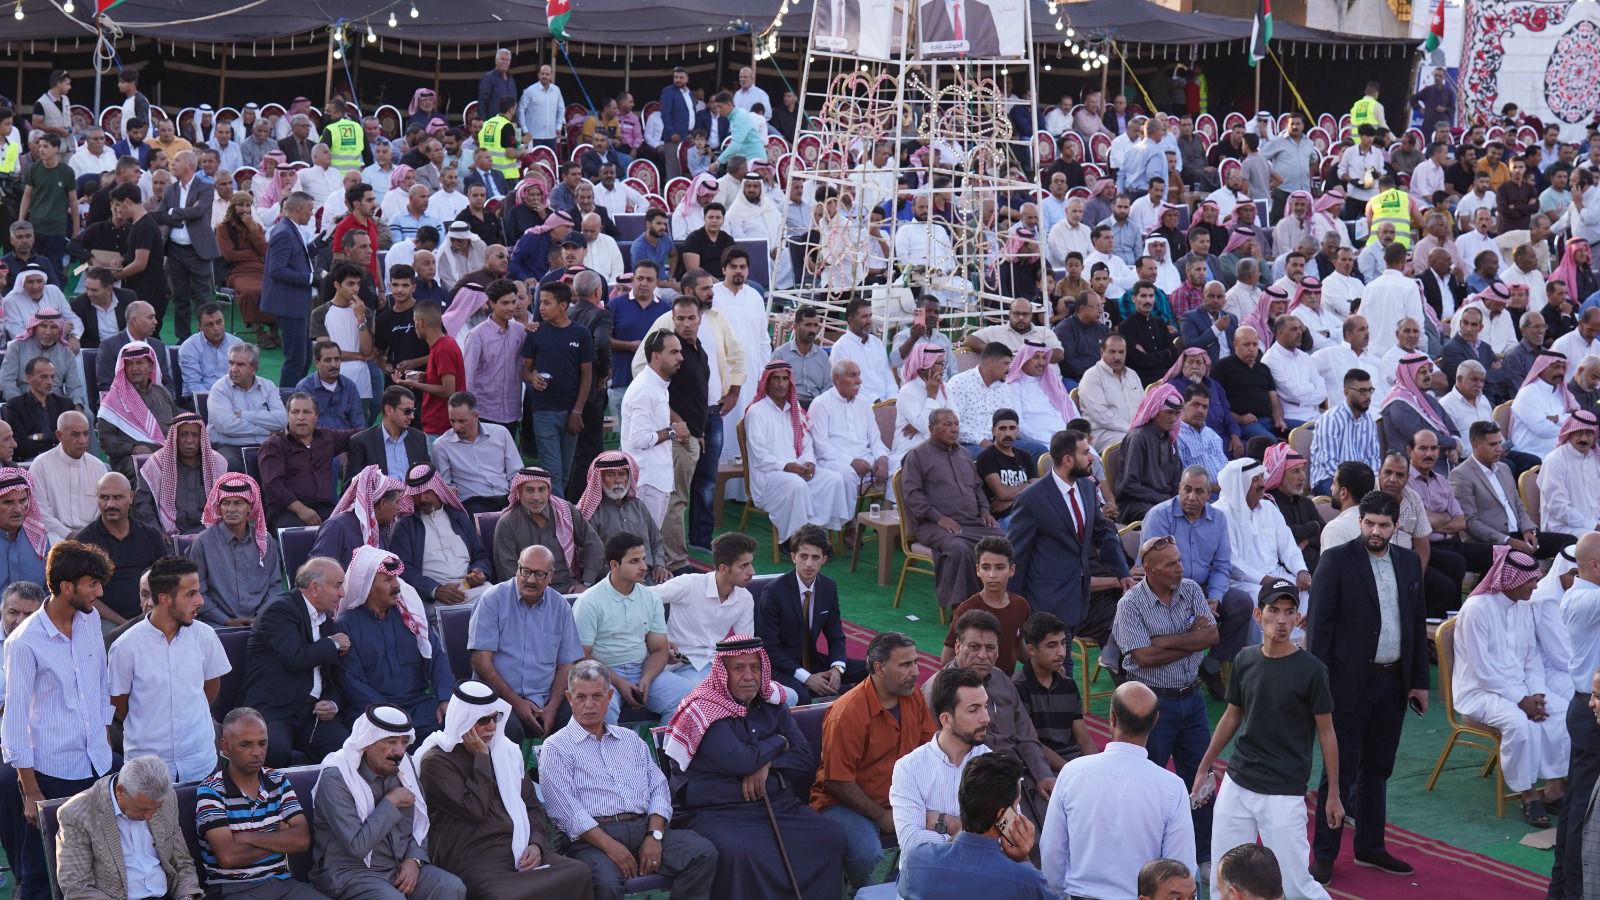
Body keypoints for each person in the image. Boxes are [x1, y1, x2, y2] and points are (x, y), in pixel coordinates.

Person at [663, 636, 848, 900]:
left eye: (755, 667)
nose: (749, 676)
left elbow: (804, 758)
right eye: (739, 668)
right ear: (723, 672)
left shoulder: (772, 702)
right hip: (716, 811)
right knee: (743, 853)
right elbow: (742, 761)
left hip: (777, 804)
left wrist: (767, 763)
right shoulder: (705, 709)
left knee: (830, 837)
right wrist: (780, 741)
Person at [1307, 490, 1428, 883]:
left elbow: (1415, 623)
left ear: (1396, 526)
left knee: (1378, 767)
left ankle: (1371, 848)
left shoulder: (1409, 562)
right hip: (1345, 684)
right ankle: (1324, 854)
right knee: (1337, 770)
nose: (1376, 531)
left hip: (1392, 683)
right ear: (1359, 522)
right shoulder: (1336, 561)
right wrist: (1319, 687)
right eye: (1370, 523)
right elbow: (1319, 630)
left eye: (1384, 525)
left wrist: (1419, 682)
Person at [1191, 579, 1340, 899]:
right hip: (1238, 782)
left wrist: (1334, 794)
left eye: (1289, 611)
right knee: (1222, 877)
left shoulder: (1312, 671)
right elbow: (1232, 715)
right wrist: (1204, 767)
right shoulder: (1245, 660)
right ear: (1258, 615)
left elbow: (1327, 732)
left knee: (1295, 885)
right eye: (1274, 611)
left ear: (1298, 617)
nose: (1281, 620)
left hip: (1284, 791)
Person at [537, 661, 721, 900]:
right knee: (605, 883)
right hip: (591, 840)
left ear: (609, 696)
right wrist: (611, 847)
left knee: (702, 853)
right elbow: (567, 812)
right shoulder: (556, 747)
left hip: (643, 827)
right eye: (581, 697)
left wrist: (654, 835)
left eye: (597, 696)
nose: (589, 705)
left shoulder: (630, 740)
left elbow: (658, 789)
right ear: (569, 698)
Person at [2, 541, 117, 900]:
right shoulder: (23, 643)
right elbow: (14, 723)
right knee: (41, 873)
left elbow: (100, 686)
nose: (99, 593)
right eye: (92, 584)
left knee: (99, 862)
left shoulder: (90, 619)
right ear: (67, 586)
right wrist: (31, 792)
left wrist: (103, 739)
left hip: (98, 763)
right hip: (52, 774)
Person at [415, 680, 593, 899]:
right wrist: (481, 757)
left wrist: (536, 844)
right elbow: (475, 810)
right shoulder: (436, 762)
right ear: (463, 720)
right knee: (503, 896)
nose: (492, 727)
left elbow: (532, 807)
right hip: (473, 857)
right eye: (483, 720)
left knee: (578, 872)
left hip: (520, 849)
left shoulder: (506, 753)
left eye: (496, 717)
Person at [1040, 681, 1197, 898]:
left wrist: (1058, 894)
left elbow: (1051, 850)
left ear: (1112, 718)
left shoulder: (1072, 773)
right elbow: (1180, 864)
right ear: (1156, 721)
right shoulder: (1171, 787)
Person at [1454, 546, 1570, 826]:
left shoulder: (1524, 607)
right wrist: (1521, 700)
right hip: (1480, 692)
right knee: (1519, 723)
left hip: (1522, 688)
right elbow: (1483, 671)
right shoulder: (1476, 610)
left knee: (1563, 713)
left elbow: (1532, 658)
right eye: (1530, 580)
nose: (1535, 586)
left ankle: (1555, 789)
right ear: (1509, 580)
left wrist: (1537, 693)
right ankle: (1528, 795)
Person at [811, 632, 933, 891]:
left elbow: (929, 753)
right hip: (844, 804)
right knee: (868, 854)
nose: (915, 672)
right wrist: (881, 815)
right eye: (905, 665)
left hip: (899, 799)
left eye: (915, 663)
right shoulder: (847, 713)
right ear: (879, 668)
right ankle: (862, 893)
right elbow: (837, 781)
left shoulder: (914, 698)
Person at [310, 704, 466, 900]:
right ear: (367, 742)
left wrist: (414, 859)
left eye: (404, 742)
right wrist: (391, 803)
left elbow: (419, 824)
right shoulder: (337, 778)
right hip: (350, 872)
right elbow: (357, 847)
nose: (399, 751)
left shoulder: (403, 766)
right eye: (391, 741)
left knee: (451, 887)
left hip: (397, 865)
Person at [107, 555, 229, 783]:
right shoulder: (125, 646)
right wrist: (151, 723)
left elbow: (211, 687)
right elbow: (119, 703)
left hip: (201, 762)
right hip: (146, 770)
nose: (200, 601)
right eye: (190, 594)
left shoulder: (205, 636)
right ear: (164, 599)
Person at [1009, 427, 1132, 635]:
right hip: (1046, 604)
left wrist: (1122, 572)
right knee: (1057, 656)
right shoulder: (1031, 499)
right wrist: (1015, 609)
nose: (1092, 457)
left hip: (1079, 601)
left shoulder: (1087, 488)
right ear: (1067, 460)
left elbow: (1104, 533)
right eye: (1085, 453)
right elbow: (1016, 556)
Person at [194, 707, 323, 900]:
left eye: (262, 743)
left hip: (283, 885)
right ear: (225, 746)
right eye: (245, 745)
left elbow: (302, 840)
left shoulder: (278, 780)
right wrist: (279, 838)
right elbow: (229, 857)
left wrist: (246, 837)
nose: (257, 752)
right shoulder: (211, 790)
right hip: (232, 890)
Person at [894, 751, 1053, 900]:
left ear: (963, 799)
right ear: (1002, 815)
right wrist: (1023, 858)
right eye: (1016, 806)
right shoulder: (1025, 881)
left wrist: (958, 827)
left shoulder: (916, 863)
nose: (1017, 815)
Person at [242, 557, 352, 768]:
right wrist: (333, 644)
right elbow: (295, 658)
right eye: (337, 586)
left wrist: (332, 702)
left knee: (346, 750)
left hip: (312, 713)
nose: (342, 594)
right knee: (276, 751)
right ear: (315, 588)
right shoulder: (280, 610)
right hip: (274, 709)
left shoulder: (326, 621)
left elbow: (332, 676)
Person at [337, 545, 455, 738]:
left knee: (459, 722)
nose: (396, 585)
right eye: (388, 580)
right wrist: (388, 713)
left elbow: (437, 657)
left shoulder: (411, 614)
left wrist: (445, 698)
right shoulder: (347, 625)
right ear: (368, 587)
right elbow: (352, 681)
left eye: (396, 578)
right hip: (371, 710)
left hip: (418, 705)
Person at [900, 409, 1007, 611]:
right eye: (947, 424)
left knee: (1002, 541)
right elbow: (912, 495)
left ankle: (996, 599)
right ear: (932, 429)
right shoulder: (917, 456)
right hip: (933, 525)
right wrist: (938, 518)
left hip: (972, 522)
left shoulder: (964, 454)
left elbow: (977, 487)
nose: (954, 429)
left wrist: (985, 511)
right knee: (959, 549)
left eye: (956, 424)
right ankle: (963, 609)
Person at [55, 755, 202, 900]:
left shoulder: (165, 798)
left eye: (156, 809)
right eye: (142, 809)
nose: (149, 816)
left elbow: (181, 863)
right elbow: (77, 888)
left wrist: (186, 896)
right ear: (120, 791)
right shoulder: (77, 814)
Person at [743, 361, 854, 547]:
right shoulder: (756, 412)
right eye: (776, 379)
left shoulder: (794, 411)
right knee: (796, 485)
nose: (780, 384)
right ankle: (793, 540)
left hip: (796, 469)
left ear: (790, 382)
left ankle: (815, 535)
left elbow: (805, 443)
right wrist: (787, 466)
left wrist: (808, 462)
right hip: (768, 475)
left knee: (833, 479)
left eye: (784, 379)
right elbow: (760, 455)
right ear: (767, 382)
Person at [1451, 421, 1574, 561]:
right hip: (1491, 543)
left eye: (1499, 443)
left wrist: (1529, 530)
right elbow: (1470, 523)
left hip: (1520, 535)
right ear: (1475, 445)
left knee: (1570, 544)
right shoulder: (1461, 475)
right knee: (1523, 560)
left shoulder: (1504, 468)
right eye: (1492, 444)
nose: (1499, 449)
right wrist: (1507, 540)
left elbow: (1518, 505)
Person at [655, 532, 759, 687]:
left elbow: (744, 646)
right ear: (723, 569)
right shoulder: (688, 584)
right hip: (681, 667)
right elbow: (641, 599)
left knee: (788, 696)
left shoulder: (745, 598)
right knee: (715, 692)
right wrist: (655, 637)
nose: (752, 572)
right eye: (744, 566)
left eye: (750, 564)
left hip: (718, 667)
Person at [1214, 457, 1312, 614]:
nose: (1262, 484)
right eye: (1255, 479)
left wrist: (1301, 571)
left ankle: (1298, 632)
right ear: (1240, 484)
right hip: (1243, 582)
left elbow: (1288, 547)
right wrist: (1264, 580)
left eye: (1262, 477)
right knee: (1271, 598)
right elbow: (1232, 562)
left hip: (1275, 574)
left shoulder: (1269, 508)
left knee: (1304, 592)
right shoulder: (1220, 513)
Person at [390, 463, 492, 608]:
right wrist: (435, 590)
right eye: (416, 494)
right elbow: (402, 568)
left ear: (438, 489)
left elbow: (481, 555)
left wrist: (479, 572)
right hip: (432, 597)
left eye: (427, 491)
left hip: (471, 588)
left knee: (495, 596)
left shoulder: (459, 518)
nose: (422, 499)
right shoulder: (406, 526)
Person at [74, 472, 171, 623]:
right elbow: (84, 595)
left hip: (150, 617)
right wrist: (124, 625)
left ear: (131, 497)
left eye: (117, 497)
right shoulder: (84, 542)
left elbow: (165, 583)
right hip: (104, 622)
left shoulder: (151, 536)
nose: (110, 504)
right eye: (104, 497)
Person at [258, 394, 360, 528]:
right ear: (288, 415)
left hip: (325, 508)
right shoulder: (273, 445)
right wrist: (301, 510)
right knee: (299, 533)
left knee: (351, 526)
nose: (300, 417)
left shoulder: (327, 438)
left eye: (307, 412)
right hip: (287, 510)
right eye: (295, 412)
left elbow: (361, 434)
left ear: (316, 416)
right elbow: (273, 486)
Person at [492, 466, 603, 587]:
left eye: (541, 489)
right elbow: (508, 572)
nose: (536, 497)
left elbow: (594, 545)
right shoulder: (507, 523)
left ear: (549, 491)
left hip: (568, 587)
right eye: (529, 490)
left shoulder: (566, 511)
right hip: (528, 591)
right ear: (519, 491)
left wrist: (586, 583)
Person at [575, 452, 670, 584]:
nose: (618, 480)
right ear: (600, 479)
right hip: (612, 579)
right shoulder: (592, 512)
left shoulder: (639, 506)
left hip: (647, 575)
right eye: (611, 475)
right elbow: (589, 555)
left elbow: (656, 541)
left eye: (622, 474)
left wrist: (659, 565)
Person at [1013, 612, 1095, 766]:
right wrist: (1068, 771)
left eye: (1063, 643)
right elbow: (1032, 743)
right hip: (1040, 765)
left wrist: (1096, 767)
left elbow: (1084, 739)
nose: (1061, 652)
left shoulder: (1068, 685)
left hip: (1073, 761)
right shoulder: (1019, 687)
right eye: (1052, 646)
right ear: (1031, 650)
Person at [98, 341, 177, 481]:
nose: (134, 368)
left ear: (151, 366)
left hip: (165, 454)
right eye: (129, 364)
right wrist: (132, 448)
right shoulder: (112, 400)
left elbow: (176, 425)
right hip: (130, 459)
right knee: (148, 467)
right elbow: (106, 440)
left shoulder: (162, 393)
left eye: (140, 363)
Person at [430, 392, 521, 515]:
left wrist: (515, 498)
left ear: (476, 415)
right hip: (472, 502)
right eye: (452, 421)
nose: (457, 427)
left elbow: (516, 473)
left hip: (506, 497)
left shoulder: (500, 433)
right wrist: (449, 491)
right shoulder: (441, 446)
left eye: (462, 421)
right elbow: (445, 485)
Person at [261, 192, 318, 385]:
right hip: (289, 304)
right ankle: (286, 399)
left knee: (304, 359)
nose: (311, 214)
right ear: (299, 209)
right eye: (310, 210)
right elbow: (276, 270)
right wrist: (311, 279)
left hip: (296, 303)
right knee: (296, 360)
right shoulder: (284, 232)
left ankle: (296, 396)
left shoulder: (289, 229)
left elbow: (298, 255)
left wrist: (320, 243)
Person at [206, 341, 289, 472]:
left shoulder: (268, 386)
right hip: (228, 446)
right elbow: (226, 426)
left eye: (240, 364)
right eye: (231, 363)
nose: (233, 369)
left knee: (291, 461)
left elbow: (282, 420)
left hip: (265, 444)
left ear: (254, 367)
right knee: (229, 464)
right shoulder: (219, 389)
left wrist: (243, 415)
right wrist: (267, 431)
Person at [29, 411, 108, 543]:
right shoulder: (41, 465)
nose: (83, 440)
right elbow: (39, 510)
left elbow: (103, 507)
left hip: (93, 536)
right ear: (59, 435)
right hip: (53, 536)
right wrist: (68, 534)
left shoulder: (98, 467)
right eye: (75, 434)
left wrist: (88, 534)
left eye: (86, 433)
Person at [309, 465, 404, 567]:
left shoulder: (383, 528)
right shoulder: (336, 526)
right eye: (397, 502)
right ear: (383, 503)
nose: (400, 507)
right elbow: (318, 569)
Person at [1116, 383, 1184, 522]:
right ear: (1155, 411)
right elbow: (1129, 485)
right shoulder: (1138, 438)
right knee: (1166, 517)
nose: (1173, 419)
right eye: (1169, 412)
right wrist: (1165, 500)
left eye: (1176, 413)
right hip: (1136, 504)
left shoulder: (1171, 438)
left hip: (1165, 501)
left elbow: (1177, 478)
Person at [347, 387, 430, 481]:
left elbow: (428, 478)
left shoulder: (419, 438)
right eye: (407, 411)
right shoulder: (362, 442)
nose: (412, 416)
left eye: (413, 411)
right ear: (389, 410)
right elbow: (352, 485)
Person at [827, 296, 897, 403]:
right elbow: (847, 384)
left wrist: (893, 398)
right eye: (864, 317)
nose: (869, 321)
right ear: (851, 320)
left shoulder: (877, 342)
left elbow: (888, 375)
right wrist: (877, 402)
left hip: (888, 403)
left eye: (870, 316)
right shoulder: (840, 347)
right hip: (862, 404)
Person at [295, 340, 364, 430]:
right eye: (328, 360)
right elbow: (305, 423)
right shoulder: (305, 387)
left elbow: (358, 423)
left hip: (346, 437)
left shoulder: (350, 386)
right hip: (317, 437)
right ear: (317, 363)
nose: (334, 365)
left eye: (337, 359)